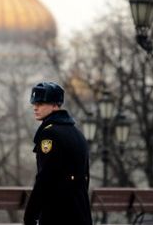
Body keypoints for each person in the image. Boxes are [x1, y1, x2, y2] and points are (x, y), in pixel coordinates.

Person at [24, 82, 92, 225]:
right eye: (34, 103)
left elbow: (45, 178)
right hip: (81, 211)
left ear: (55, 105)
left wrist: (30, 214)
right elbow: (85, 176)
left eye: (41, 103)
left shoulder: (49, 133)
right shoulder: (76, 132)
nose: (35, 107)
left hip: (57, 213)